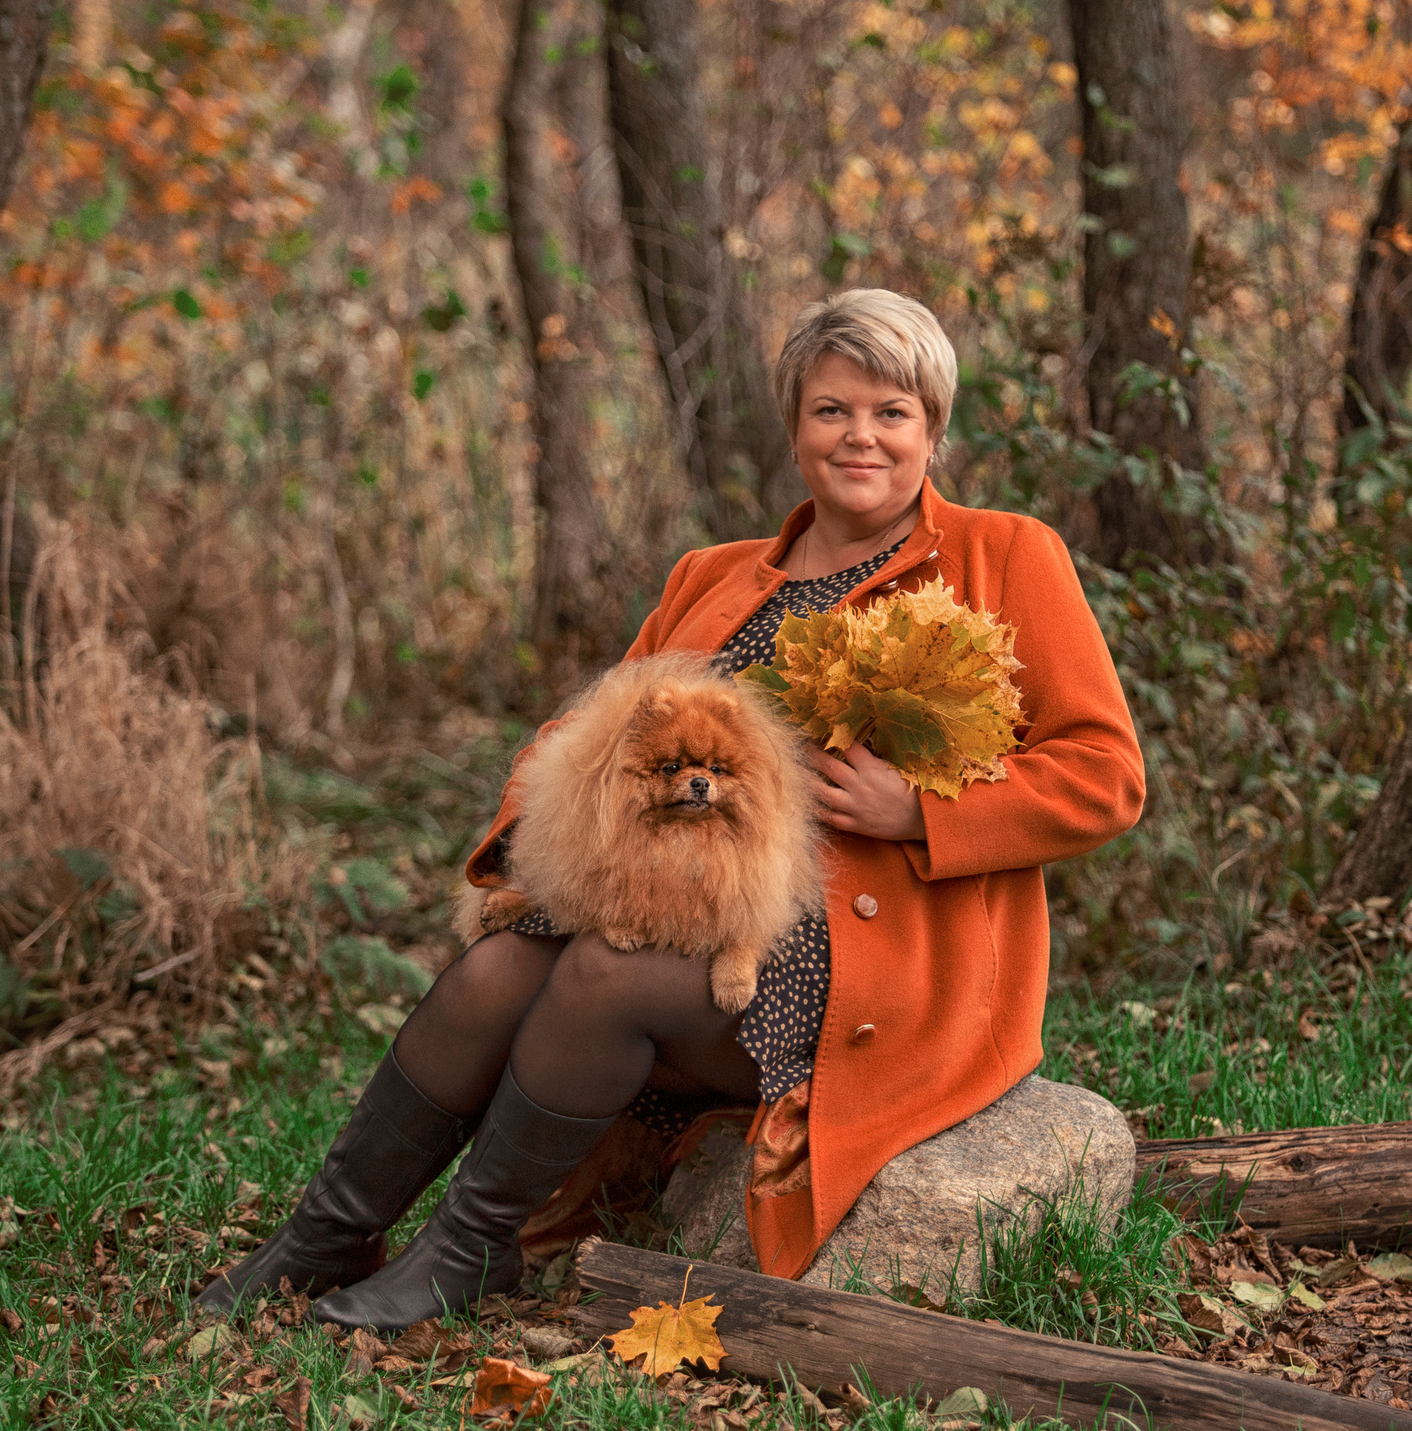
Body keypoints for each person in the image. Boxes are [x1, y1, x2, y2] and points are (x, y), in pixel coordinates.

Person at [198, 288, 1144, 1329]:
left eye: (892, 411)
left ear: (933, 429)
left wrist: (917, 811)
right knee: (502, 965)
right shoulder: (715, 576)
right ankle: (327, 1233)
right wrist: (530, 851)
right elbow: (584, 738)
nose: (860, 436)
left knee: (604, 973)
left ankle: (470, 1253)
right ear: (794, 426)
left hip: (872, 966)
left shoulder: (1004, 555)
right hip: (678, 908)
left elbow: (1105, 774)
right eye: (831, 410)